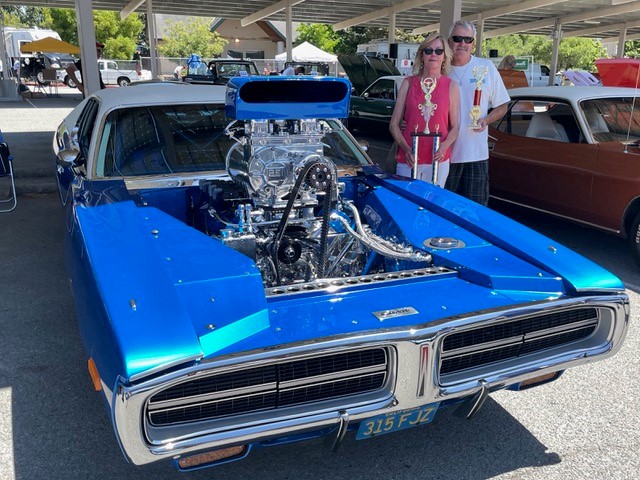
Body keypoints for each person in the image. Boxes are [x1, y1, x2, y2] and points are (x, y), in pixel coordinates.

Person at [444, 20, 510, 206]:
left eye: (468, 39)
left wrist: (486, 120)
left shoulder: (486, 67)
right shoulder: (441, 68)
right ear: (449, 41)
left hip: (476, 155)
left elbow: (502, 105)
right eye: (457, 38)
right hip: (445, 154)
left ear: (473, 43)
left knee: (476, 212)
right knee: (444, 210)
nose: (462, 44)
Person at [389, 34, 460, 187]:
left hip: (437, 159)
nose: (433, 54)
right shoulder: (408, 83)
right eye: (428, 50)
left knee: (432, 204)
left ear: (444, 57)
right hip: (409, 158)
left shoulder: (451, 86)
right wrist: (406, 148)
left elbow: (455, 128)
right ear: (422, 55)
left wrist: (444, 146)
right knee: (407, 204)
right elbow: (394, 124)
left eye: (439, 51)